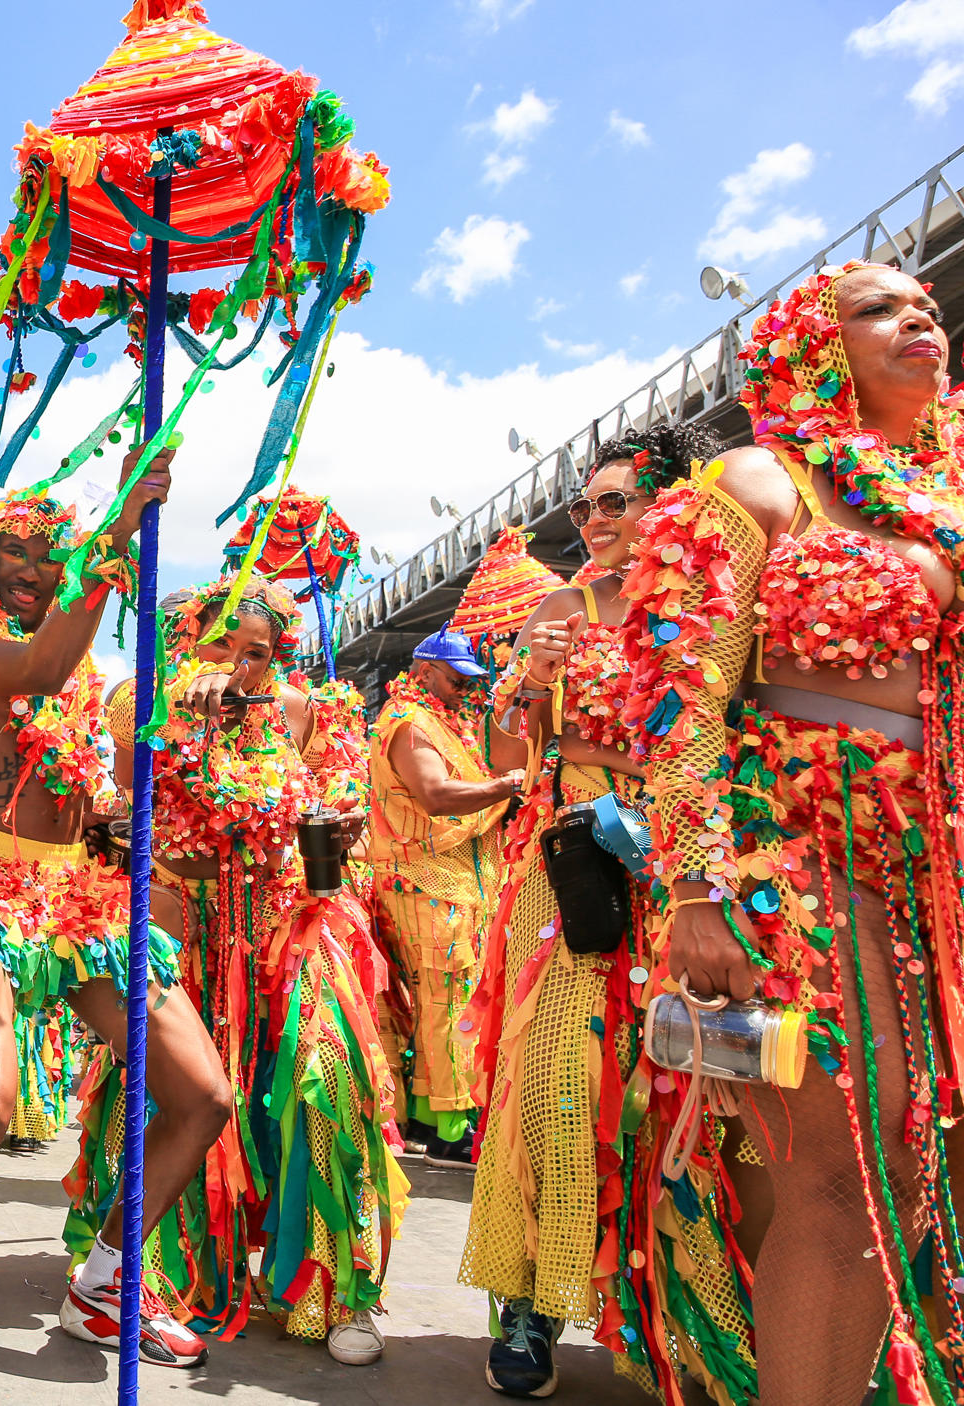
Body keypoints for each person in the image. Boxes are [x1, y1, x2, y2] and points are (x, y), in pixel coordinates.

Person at [621, 261, 964, 1406]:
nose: (918, 315)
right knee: (849, 1187)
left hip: (947, 877)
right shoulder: (760, 482)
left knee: (933, 1185)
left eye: (926, 303)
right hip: (807, 867)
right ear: (812, 349)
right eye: (877, 307)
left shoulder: (948, 489)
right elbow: (679, 699)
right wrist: (698, 891)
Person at [0, 459, 234, 1406]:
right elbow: (44, 665)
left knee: (203, 1096)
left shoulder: (92, 686)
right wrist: (115, 532)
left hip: (81, 906)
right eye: (16, 554)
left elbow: (115, 727)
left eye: (52, 555)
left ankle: (103, 1283)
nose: (34, 571)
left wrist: (163, 741)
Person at [462, 425, 755, 1402]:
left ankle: (696, 1323)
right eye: (584, 505)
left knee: (690, 1090)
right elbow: (510, 733)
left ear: (672, 505)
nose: (592, 520)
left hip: (696, 860)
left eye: (614, 501)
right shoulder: (561, 605)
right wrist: (533, 675)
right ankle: (529, 1303)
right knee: (556, 1077)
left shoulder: (721, 599)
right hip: (575, 861)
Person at [69, 574, 405, 1365]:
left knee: (326, 1084)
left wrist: (340, 819)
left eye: (257, 652)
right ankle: (146, 1280)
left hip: (290, 929)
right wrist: (181, 709)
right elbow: (123, 781)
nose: (240, 665)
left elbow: (343, 799)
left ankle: (338, 1290)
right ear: (189, 638)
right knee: (168, 1099)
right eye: (223, 642)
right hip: (184, 936)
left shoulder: (306, 712)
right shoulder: (141, 703)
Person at [367, 627, 519, 1165]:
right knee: (447, 1003)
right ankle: (452, 1129)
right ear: (425, 670)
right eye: (456, 680)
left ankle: (438, 1121)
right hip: (427, 885)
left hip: (450, 884)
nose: (462, 690)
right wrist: (509, 786)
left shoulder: (435, 721)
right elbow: (435, 797)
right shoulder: (410, 725)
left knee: (444, 1002)